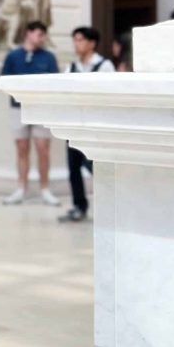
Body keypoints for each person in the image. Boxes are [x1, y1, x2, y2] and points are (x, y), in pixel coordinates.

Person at [1, 20, 60, 206]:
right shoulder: (13, 56)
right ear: (28, 33)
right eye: (39, 34)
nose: (41, 38)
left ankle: (45, 189)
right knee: (21, 148)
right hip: (18, 108)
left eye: (43, 35)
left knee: (43, 148)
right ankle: (21, 188)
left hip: (41, 109)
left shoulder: (48, 57)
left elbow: (54, 81)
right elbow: (4, 80)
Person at [59, 25, 115, 223]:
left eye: (80, 40)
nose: (77, 44)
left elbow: (110, 96)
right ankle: (78, 205)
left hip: (95, 126)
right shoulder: (72, 67)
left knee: (95, 166)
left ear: (92, 43)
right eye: (75, 40)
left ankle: (110, 204)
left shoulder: (105, 66)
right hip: (74, 125)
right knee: (73, 167)